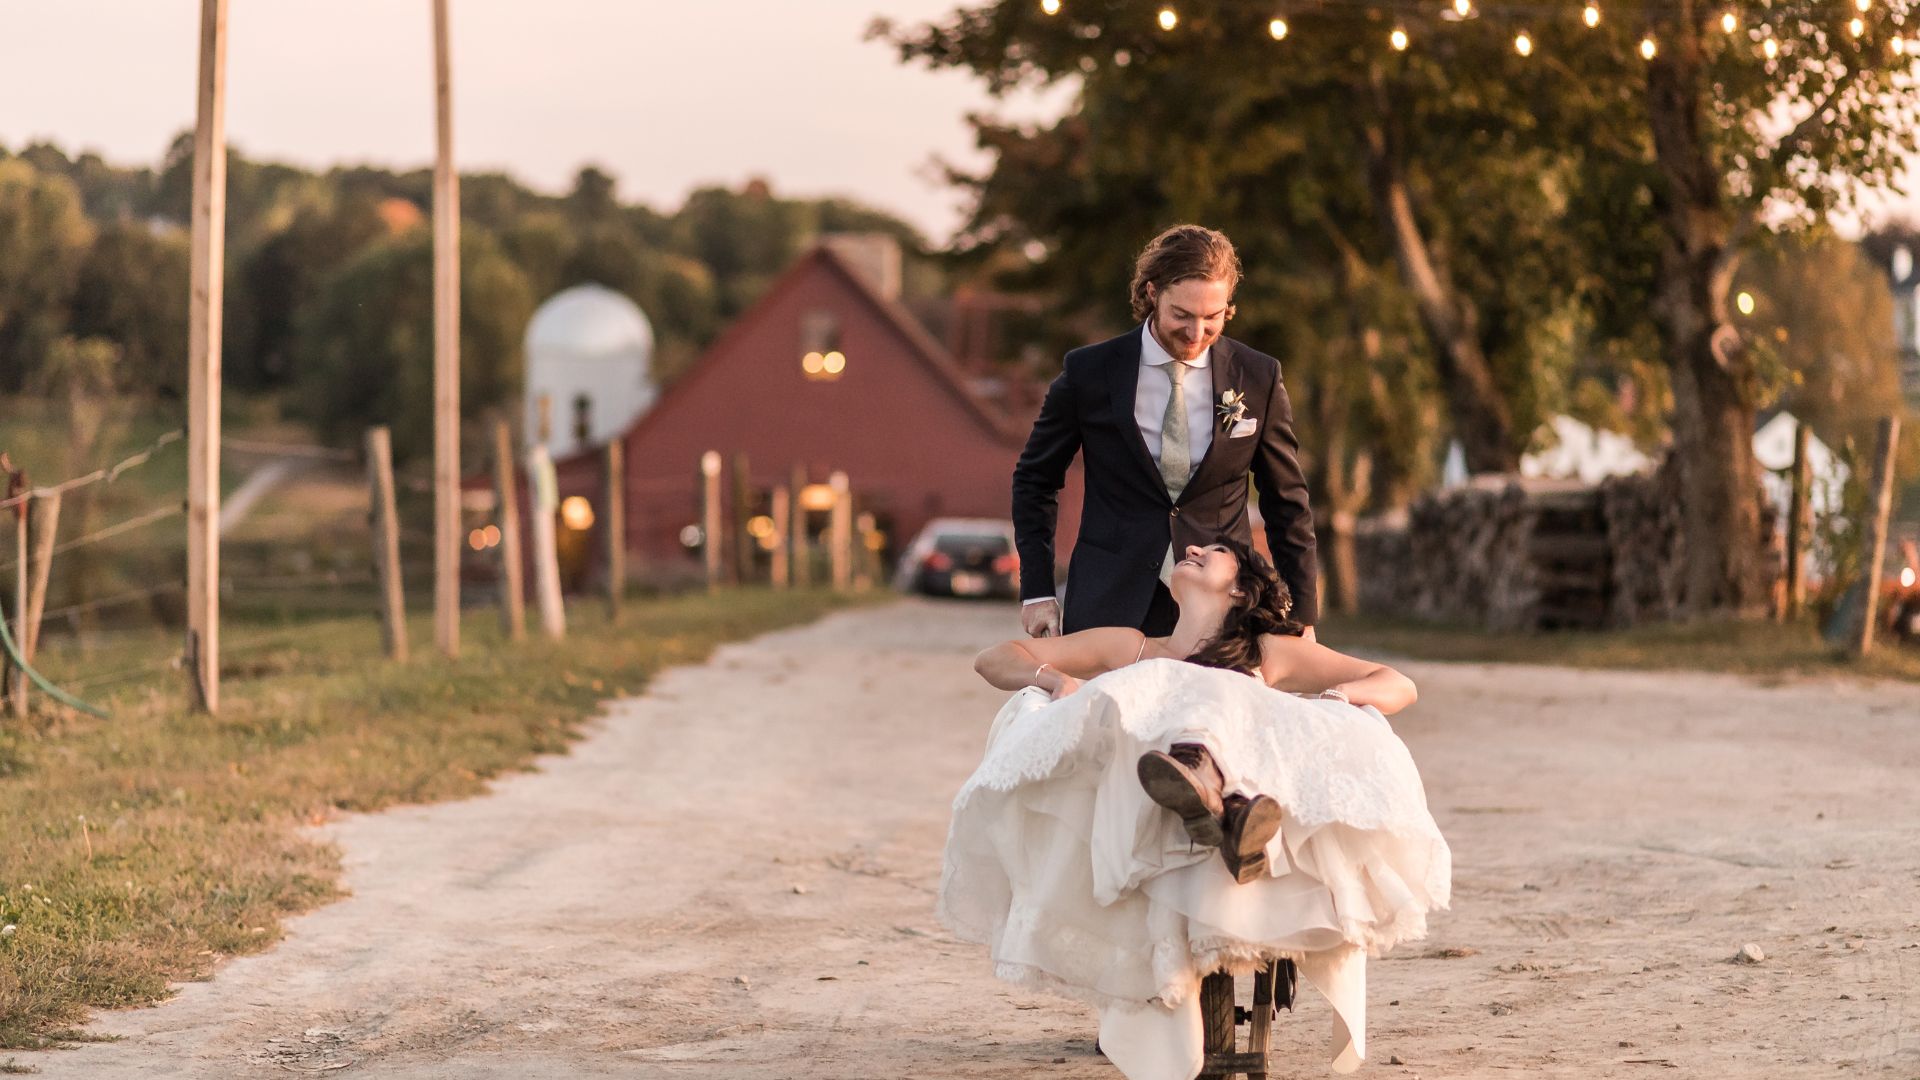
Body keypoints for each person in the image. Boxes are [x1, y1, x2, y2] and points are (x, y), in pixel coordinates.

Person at [945, 540, 1450, 1078]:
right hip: (1143, 808)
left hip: (1226, 780)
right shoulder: (1132, 648)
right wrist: (1055, 679)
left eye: (1214, 549)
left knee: (1219, 694)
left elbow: (1398, 684)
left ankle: (1215, 790)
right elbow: (995, 659)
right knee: (1173, 692)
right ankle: (1228, 810)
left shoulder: (1266, 651)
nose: (1189, 546)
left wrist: (1336, 699)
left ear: (1240, 587)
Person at [1011, 225, 1317, 641]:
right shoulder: (1090, 373)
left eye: (1212, 317)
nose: (1196, 334)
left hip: (1221, 609)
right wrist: (1037, 592)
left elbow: (1287, 503)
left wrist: (1300, 617)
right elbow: (1034, 481)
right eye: (1182, 315)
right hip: (1108, 603)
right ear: (1152, 293)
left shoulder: (1259, 376)